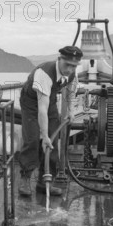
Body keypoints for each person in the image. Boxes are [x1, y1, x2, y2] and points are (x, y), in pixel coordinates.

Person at [18, 45, 82, 196]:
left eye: (74, 66)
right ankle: (25, 179)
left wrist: (71, 110)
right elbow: (41, 109)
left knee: (53, 143)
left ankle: (44, 183)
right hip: (31, 103)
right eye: (67, 65)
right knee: (33, 140)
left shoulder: (72, 74)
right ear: (59, 60)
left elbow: (71, 91)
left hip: (49, 100)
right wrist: (44, 136)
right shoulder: (44, 73)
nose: (70, 69)